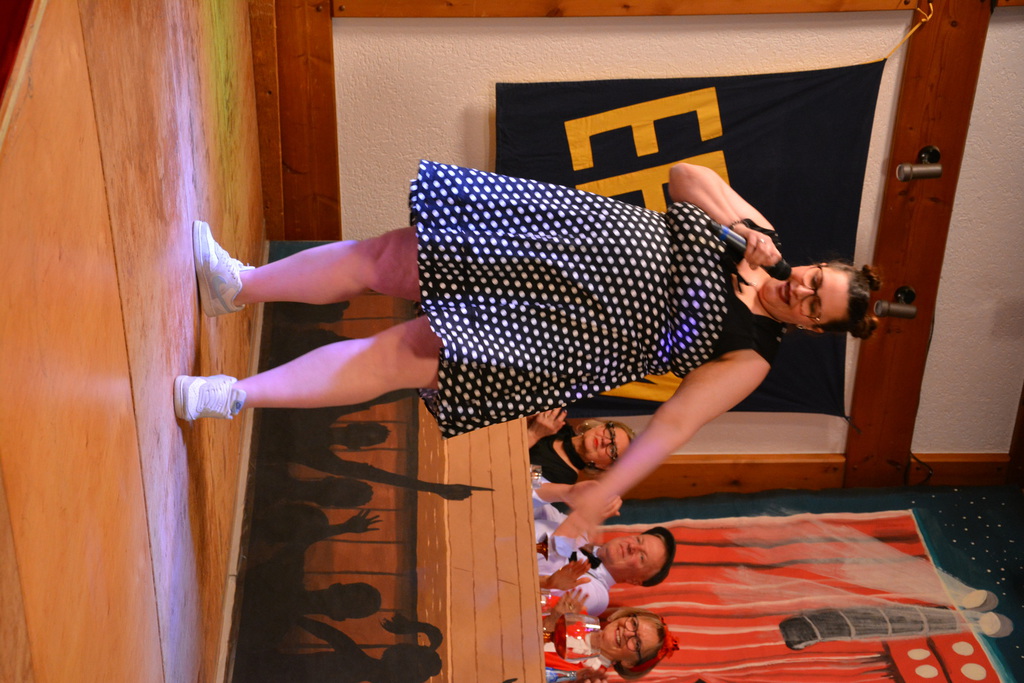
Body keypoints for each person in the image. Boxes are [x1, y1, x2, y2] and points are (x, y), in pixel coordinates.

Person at [174, 160, 879, 531]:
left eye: (814, 304)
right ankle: (239, 285)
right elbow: (686, 178)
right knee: (386, 257)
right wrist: (742, 231)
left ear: (815, 327)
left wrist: (604, 492)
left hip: (561, 336)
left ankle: (234, 396)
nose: (802, 289)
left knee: (396, 357)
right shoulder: (760, 235)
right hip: (553, 240)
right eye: (816, 279)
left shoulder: (753, 355)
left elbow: (674, 425)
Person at [533, 485, 675, 617]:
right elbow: (530, 503)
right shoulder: (582, 534)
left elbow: (539, 565)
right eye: (638, 540)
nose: (633, 547)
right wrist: (567, 491)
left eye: (642, 557)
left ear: (634, 580)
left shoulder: (598, 598)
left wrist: (580, 518)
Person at [542, 598, 677, 680]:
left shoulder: (584, 677)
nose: (627, 633)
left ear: (629, 663)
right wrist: (549, 582)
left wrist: (549, 624)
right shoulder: (576, 612)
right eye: (633, 624)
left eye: (636, 643)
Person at [528, 410, 635, 485]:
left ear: (605, 466)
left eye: (612, 449)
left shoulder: (564, 477)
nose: (605, 441)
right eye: (610, 433)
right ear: (600, 426)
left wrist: (534, 435)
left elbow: (523, 478)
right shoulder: (560, 424)